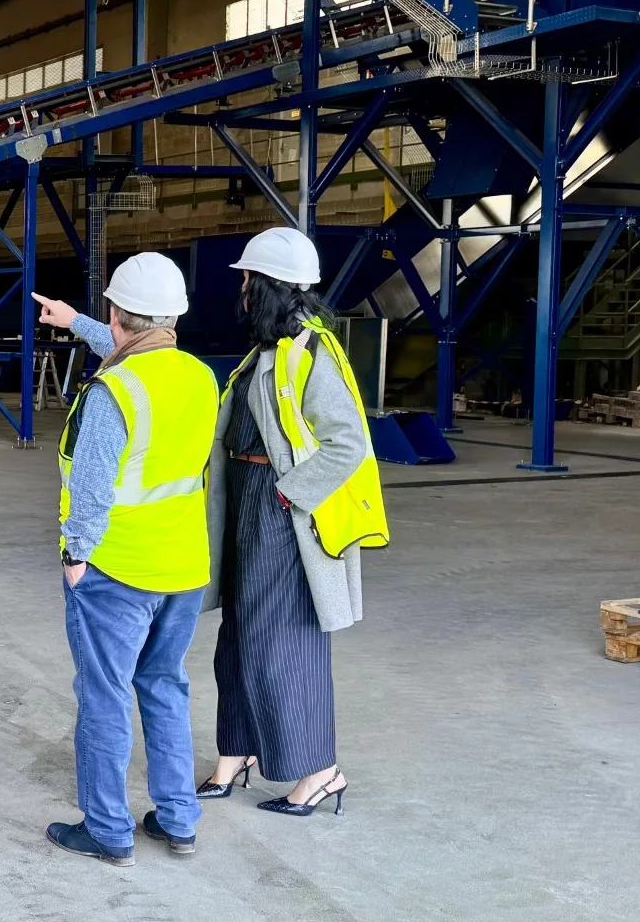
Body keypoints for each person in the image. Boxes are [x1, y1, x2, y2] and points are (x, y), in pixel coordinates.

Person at [30, 253, 218, 868]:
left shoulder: (113, 392)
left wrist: (74, 554)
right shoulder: (199, 377)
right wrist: (75, 322)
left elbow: (91, 484)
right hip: (184, 568)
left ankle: (108, 830)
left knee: (105, 695)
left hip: (119, 570)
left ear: (117, 313)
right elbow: (138, 351)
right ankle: (178, 819)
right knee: (164, 686)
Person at [195, 227, 388, 819]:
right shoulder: (268, 351)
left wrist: (287, 495)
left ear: (269, 286)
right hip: (249, 504)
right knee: (237, 637)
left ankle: (321, 773)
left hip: (281, 514)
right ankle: (236, 752)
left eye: (248, 280)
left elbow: (347, 443)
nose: (243, 290)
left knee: (282, 639)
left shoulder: (312, 353)